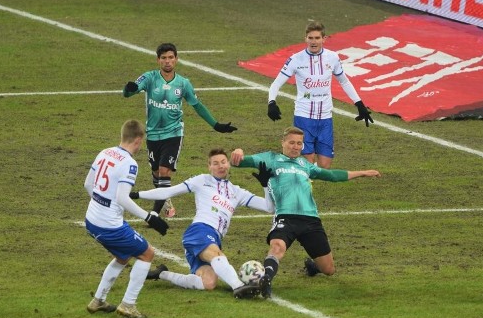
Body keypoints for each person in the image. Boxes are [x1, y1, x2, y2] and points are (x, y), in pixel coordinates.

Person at [230, 126, 381, 298]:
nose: (295, 147)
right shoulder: (270, 159)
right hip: (286, 217)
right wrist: (238, 152)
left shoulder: (305, 165)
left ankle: (314, 267)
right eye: (292, 143)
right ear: (283, 142)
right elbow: (239, 162)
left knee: (329, 269)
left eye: (299, 144)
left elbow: (331, 176)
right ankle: (266, 282)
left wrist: (362, 173)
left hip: (311, 220)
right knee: (277, 246)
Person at [131, 148, 274, 299]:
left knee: (209, 283)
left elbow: (268, 207)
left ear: (229, 165)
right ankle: (238, 286)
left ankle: (163, 274)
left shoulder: (237, 192)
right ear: (209, 167)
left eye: (223, 162)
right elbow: (167, 192)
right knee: (216, 255)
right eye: (215, 163)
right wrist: (135, 194)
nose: (220, 166)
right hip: (199, 231)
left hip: (214, 238)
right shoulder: (202, 180)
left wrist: (266, 185)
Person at [123, 42, 237, 219]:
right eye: (163, 58)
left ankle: (154, 212)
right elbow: (130, 91)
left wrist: (216, 125)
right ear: (158, 60)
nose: (167, 61)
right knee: (156, 172)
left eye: (170, 57)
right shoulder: (150, 78)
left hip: (174, 133)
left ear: (176, 59)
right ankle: (166, 200)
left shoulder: (183, 83)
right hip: (153, 134)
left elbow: (197, 105)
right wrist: (128, 90)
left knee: (164, 171)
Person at [83, 119, 169, 318]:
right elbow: (122, 198)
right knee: (147, 254)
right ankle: (128, 304)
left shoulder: (104, 152)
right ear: (138, 140)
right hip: (109, 226)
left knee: (123, 256)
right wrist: (150, 217)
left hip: (91, 220)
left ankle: (98, 300)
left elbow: (88, 184)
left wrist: (101, 205)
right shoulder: (129, 164)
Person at [266, 20, 373, 169]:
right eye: (310, 38)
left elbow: (344, 81)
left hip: (325, 118)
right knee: (307, 164)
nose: (313, 41)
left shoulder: (333, 58)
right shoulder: (295, 60)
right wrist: (271, 102)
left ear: (324, 39)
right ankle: (300, 186)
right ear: (305, 39)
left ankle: (295, 171)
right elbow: (276, 84)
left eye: (317, 38)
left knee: (324, 166)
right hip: (304, 118)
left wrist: (359, 104)